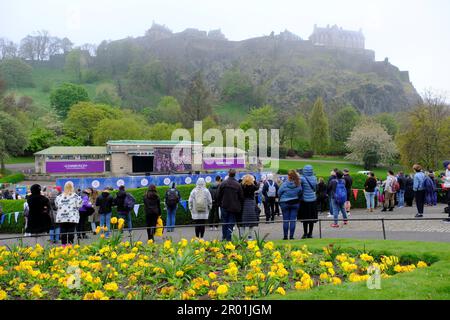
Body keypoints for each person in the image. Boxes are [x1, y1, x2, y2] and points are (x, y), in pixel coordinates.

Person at [217, 169, 244, 241]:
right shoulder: (238, 184)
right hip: (233, 207)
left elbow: (218, 195)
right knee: (231, 223)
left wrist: (220, 204)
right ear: (235, 174)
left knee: (224, 222)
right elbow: (241, 197)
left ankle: (224, 237)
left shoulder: (223, 183)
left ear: (228, 173)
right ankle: (228, 238)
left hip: (224, 206)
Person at [278, 170, 302, 240]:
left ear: (288, 176)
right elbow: (300, 191)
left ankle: (285, 236)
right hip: (295, 202)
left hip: (285, 203)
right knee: (293, 220)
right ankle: (291, 236)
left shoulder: (284, 184)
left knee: (285, 220)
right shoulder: (298, 184)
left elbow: (279, 193)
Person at [299, 165, 318, 239]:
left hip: (305, 200)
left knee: (305, 218)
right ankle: (310, 233)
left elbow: (300, 189)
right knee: (312, 218)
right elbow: (316, 188)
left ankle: (305, 233)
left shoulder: (302, 178)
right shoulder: (314, 178)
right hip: (313, 200)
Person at [240, 174, 260, 240]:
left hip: (243, 204)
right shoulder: (253, 186)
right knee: (251, 221)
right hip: (251, 203)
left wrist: (241, 179)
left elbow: (238, 183)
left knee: (243, 221)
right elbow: (257, 187)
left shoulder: (242, 186)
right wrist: (254, 181)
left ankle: (242, 236)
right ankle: (250, 236)